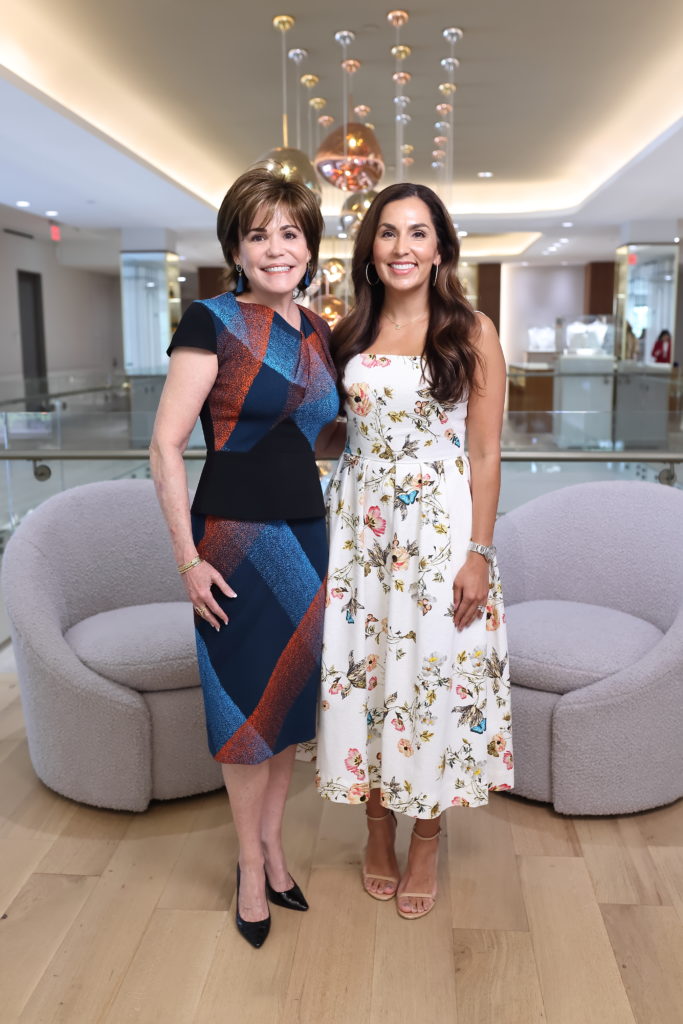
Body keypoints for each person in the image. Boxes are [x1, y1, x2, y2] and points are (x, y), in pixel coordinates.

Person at [150, 166, 339, 948]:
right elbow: (164, 445)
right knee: (241, 716)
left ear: (309, 247)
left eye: (289, 233)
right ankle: (250, 867)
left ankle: (275, 850)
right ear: (236, 248)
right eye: (257, 235)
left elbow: (318, 434)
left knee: (286, 707)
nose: (275, 248)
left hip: (307, 536)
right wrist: (187, 560)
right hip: (230, 540)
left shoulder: (319, 330)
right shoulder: (211, 321)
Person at [315, 182, 513, 920]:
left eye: (418, 232)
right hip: (358, 532)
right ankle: (376, 828)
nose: (403, 247)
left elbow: (485, 452)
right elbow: (337, 431)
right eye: (389, 232)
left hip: (438, 531)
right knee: (366, 677)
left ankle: (426, 836)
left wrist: (478, 553)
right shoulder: (345, 332)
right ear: (370, 249)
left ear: (439, 250)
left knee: (431, 678)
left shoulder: (471, 331)